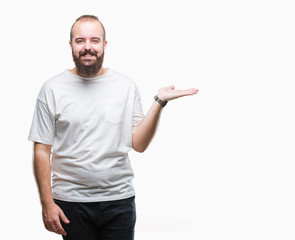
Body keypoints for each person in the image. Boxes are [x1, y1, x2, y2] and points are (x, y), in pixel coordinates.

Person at [28, 15, 198, 240]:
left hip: (119, 200)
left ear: (104, 45)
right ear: (71, 45)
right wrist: (46, 203)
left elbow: (138, 144)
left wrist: (159, 102)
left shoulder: (125, 85)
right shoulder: (52, 88)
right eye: (80, 41)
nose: (88, 47)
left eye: (94, 40)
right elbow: (41, 149)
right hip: (71, 203)